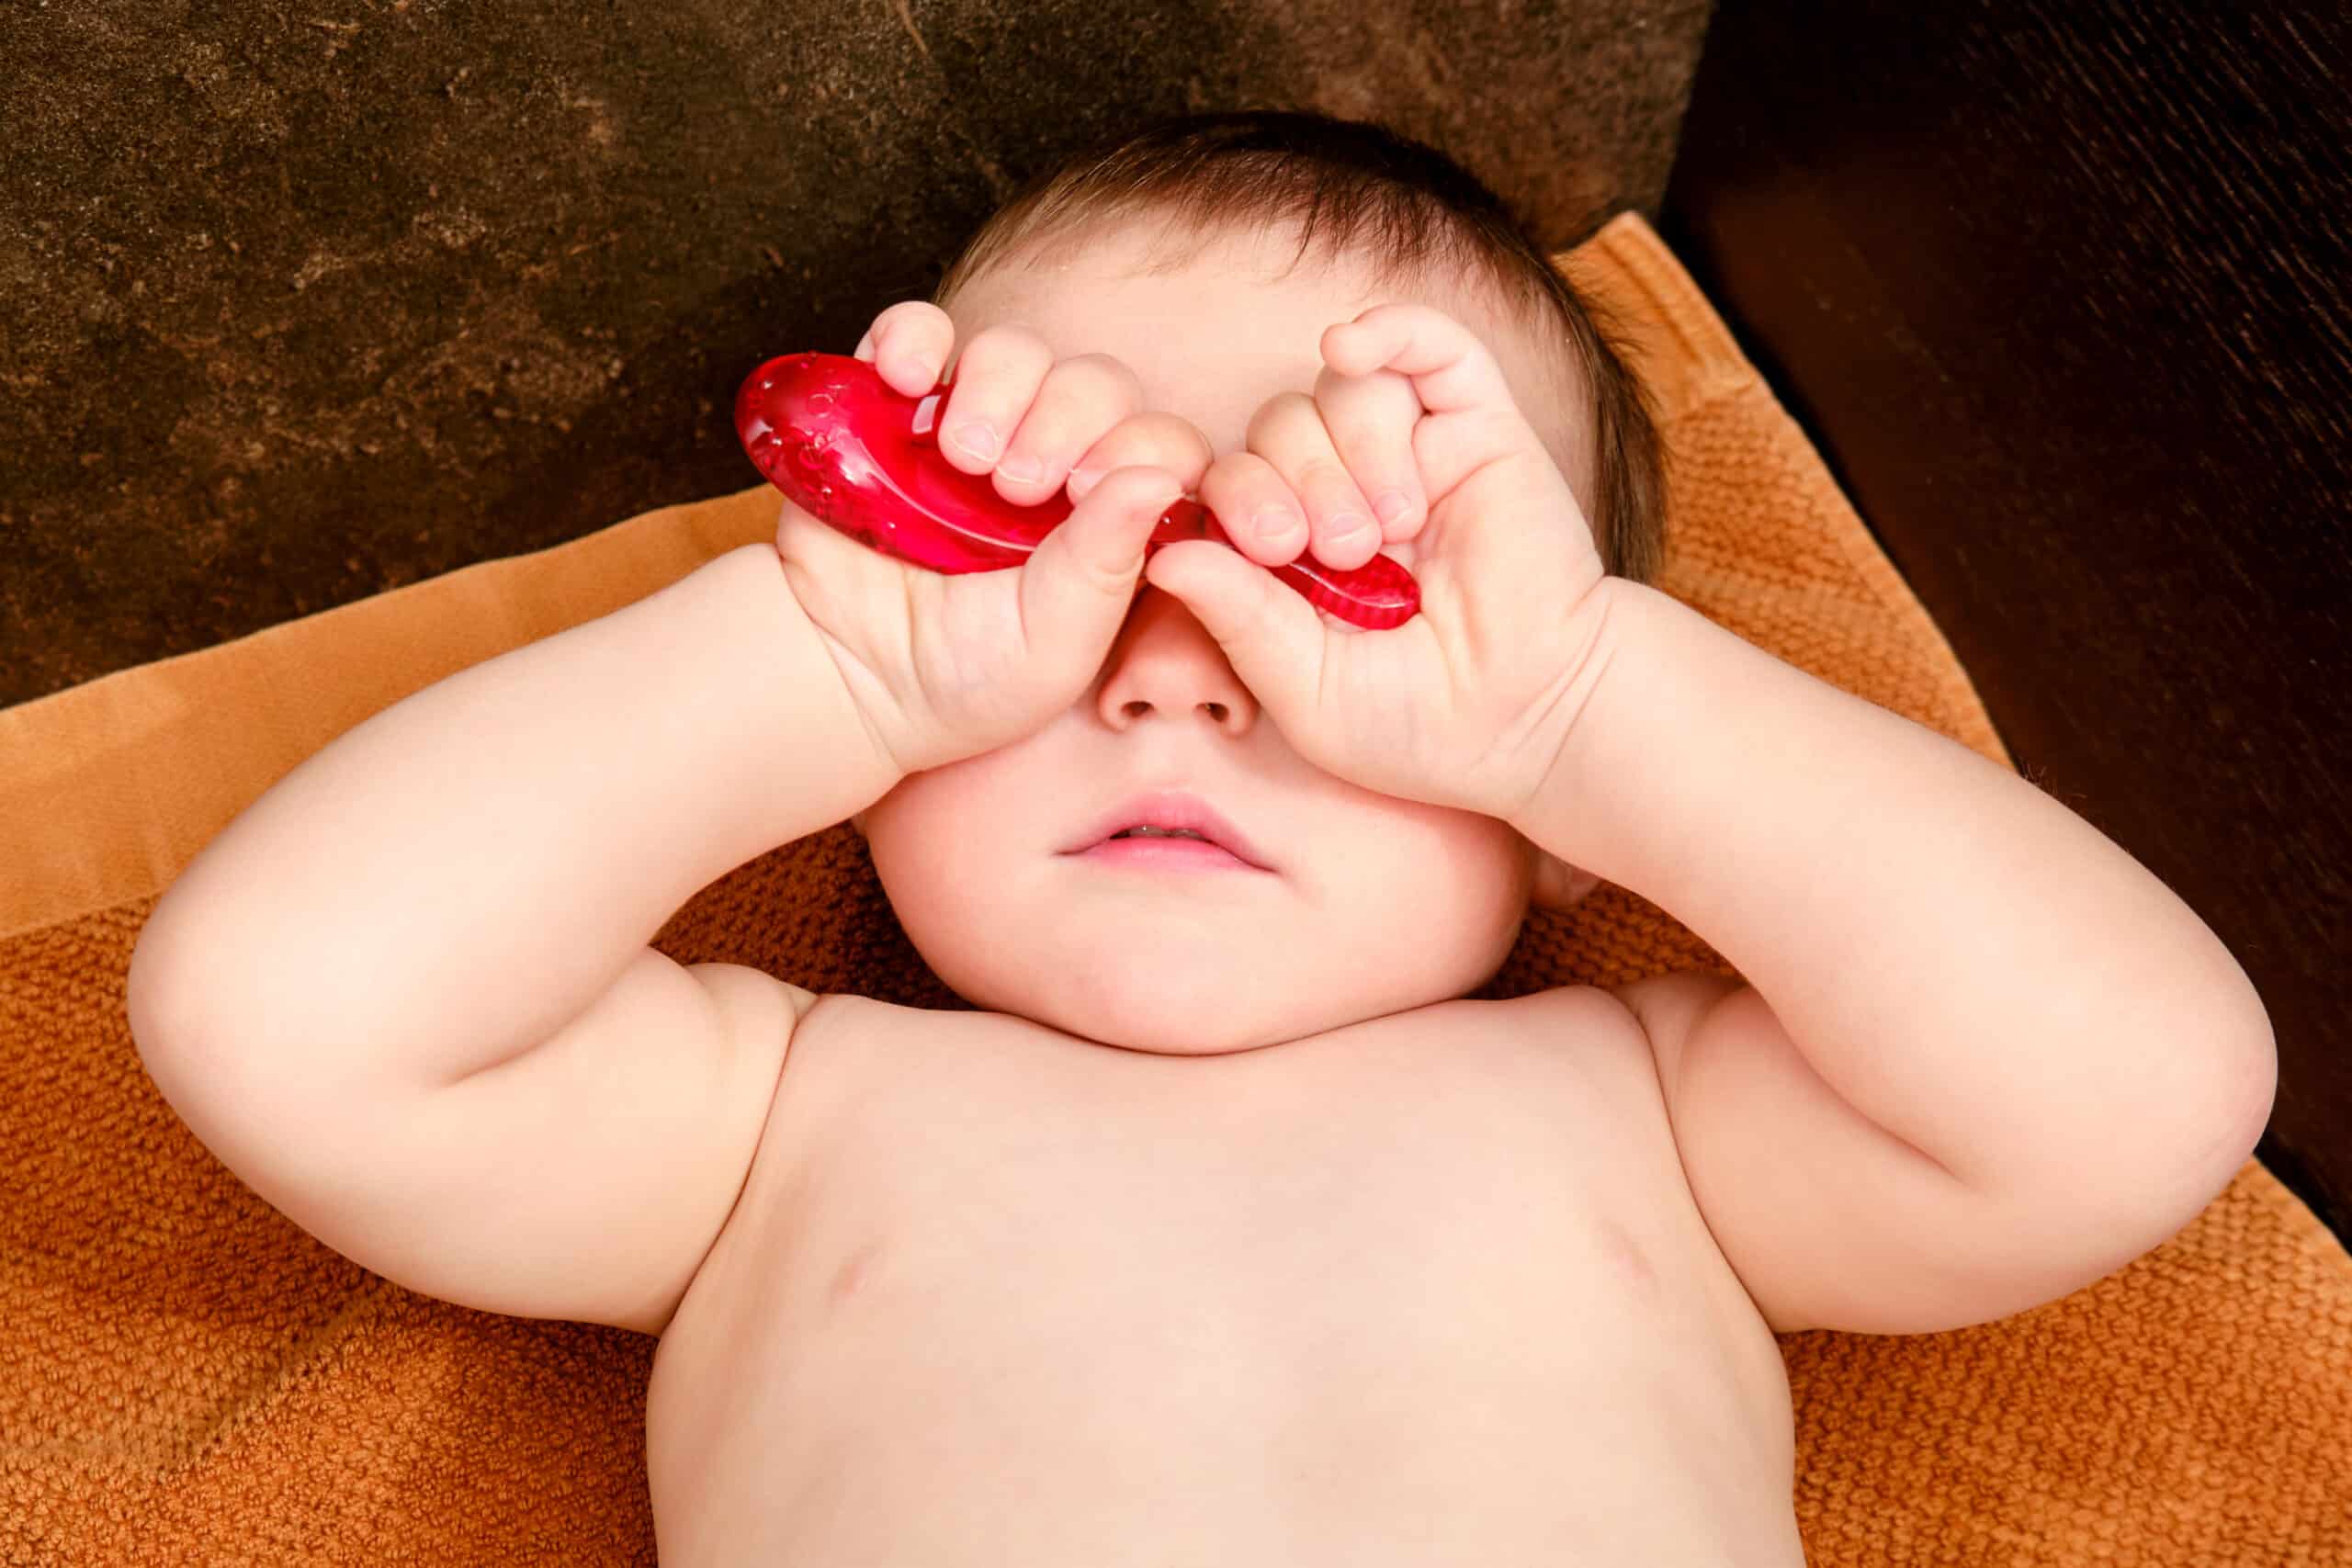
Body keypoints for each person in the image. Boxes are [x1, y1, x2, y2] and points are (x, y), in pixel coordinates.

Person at [125, 110, 2275, 1563]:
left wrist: (1580, 703)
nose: (1173, 667)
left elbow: (2128, 1091)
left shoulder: (1654, 1113)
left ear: (1564, 822)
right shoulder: (769, 1118)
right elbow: (286, 1010)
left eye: (1357, 581)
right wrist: (820, 657)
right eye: (1037, 566)